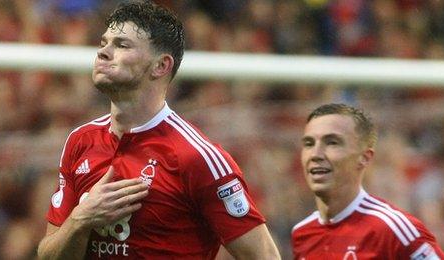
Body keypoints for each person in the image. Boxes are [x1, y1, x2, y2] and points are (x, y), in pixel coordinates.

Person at [37, 1, 280, 259]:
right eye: (103, 43)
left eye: (121, 45)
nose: (104, 52)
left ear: (161, 66)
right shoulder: (80, 141)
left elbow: (266, 256)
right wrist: (80, 219)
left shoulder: (196, 157)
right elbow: (48, 255)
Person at [292, 103, 444, 259]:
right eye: (309, 144)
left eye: (332, 142)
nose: (315, 154)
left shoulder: (392, 229)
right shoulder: (302, 233)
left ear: (364, 158)